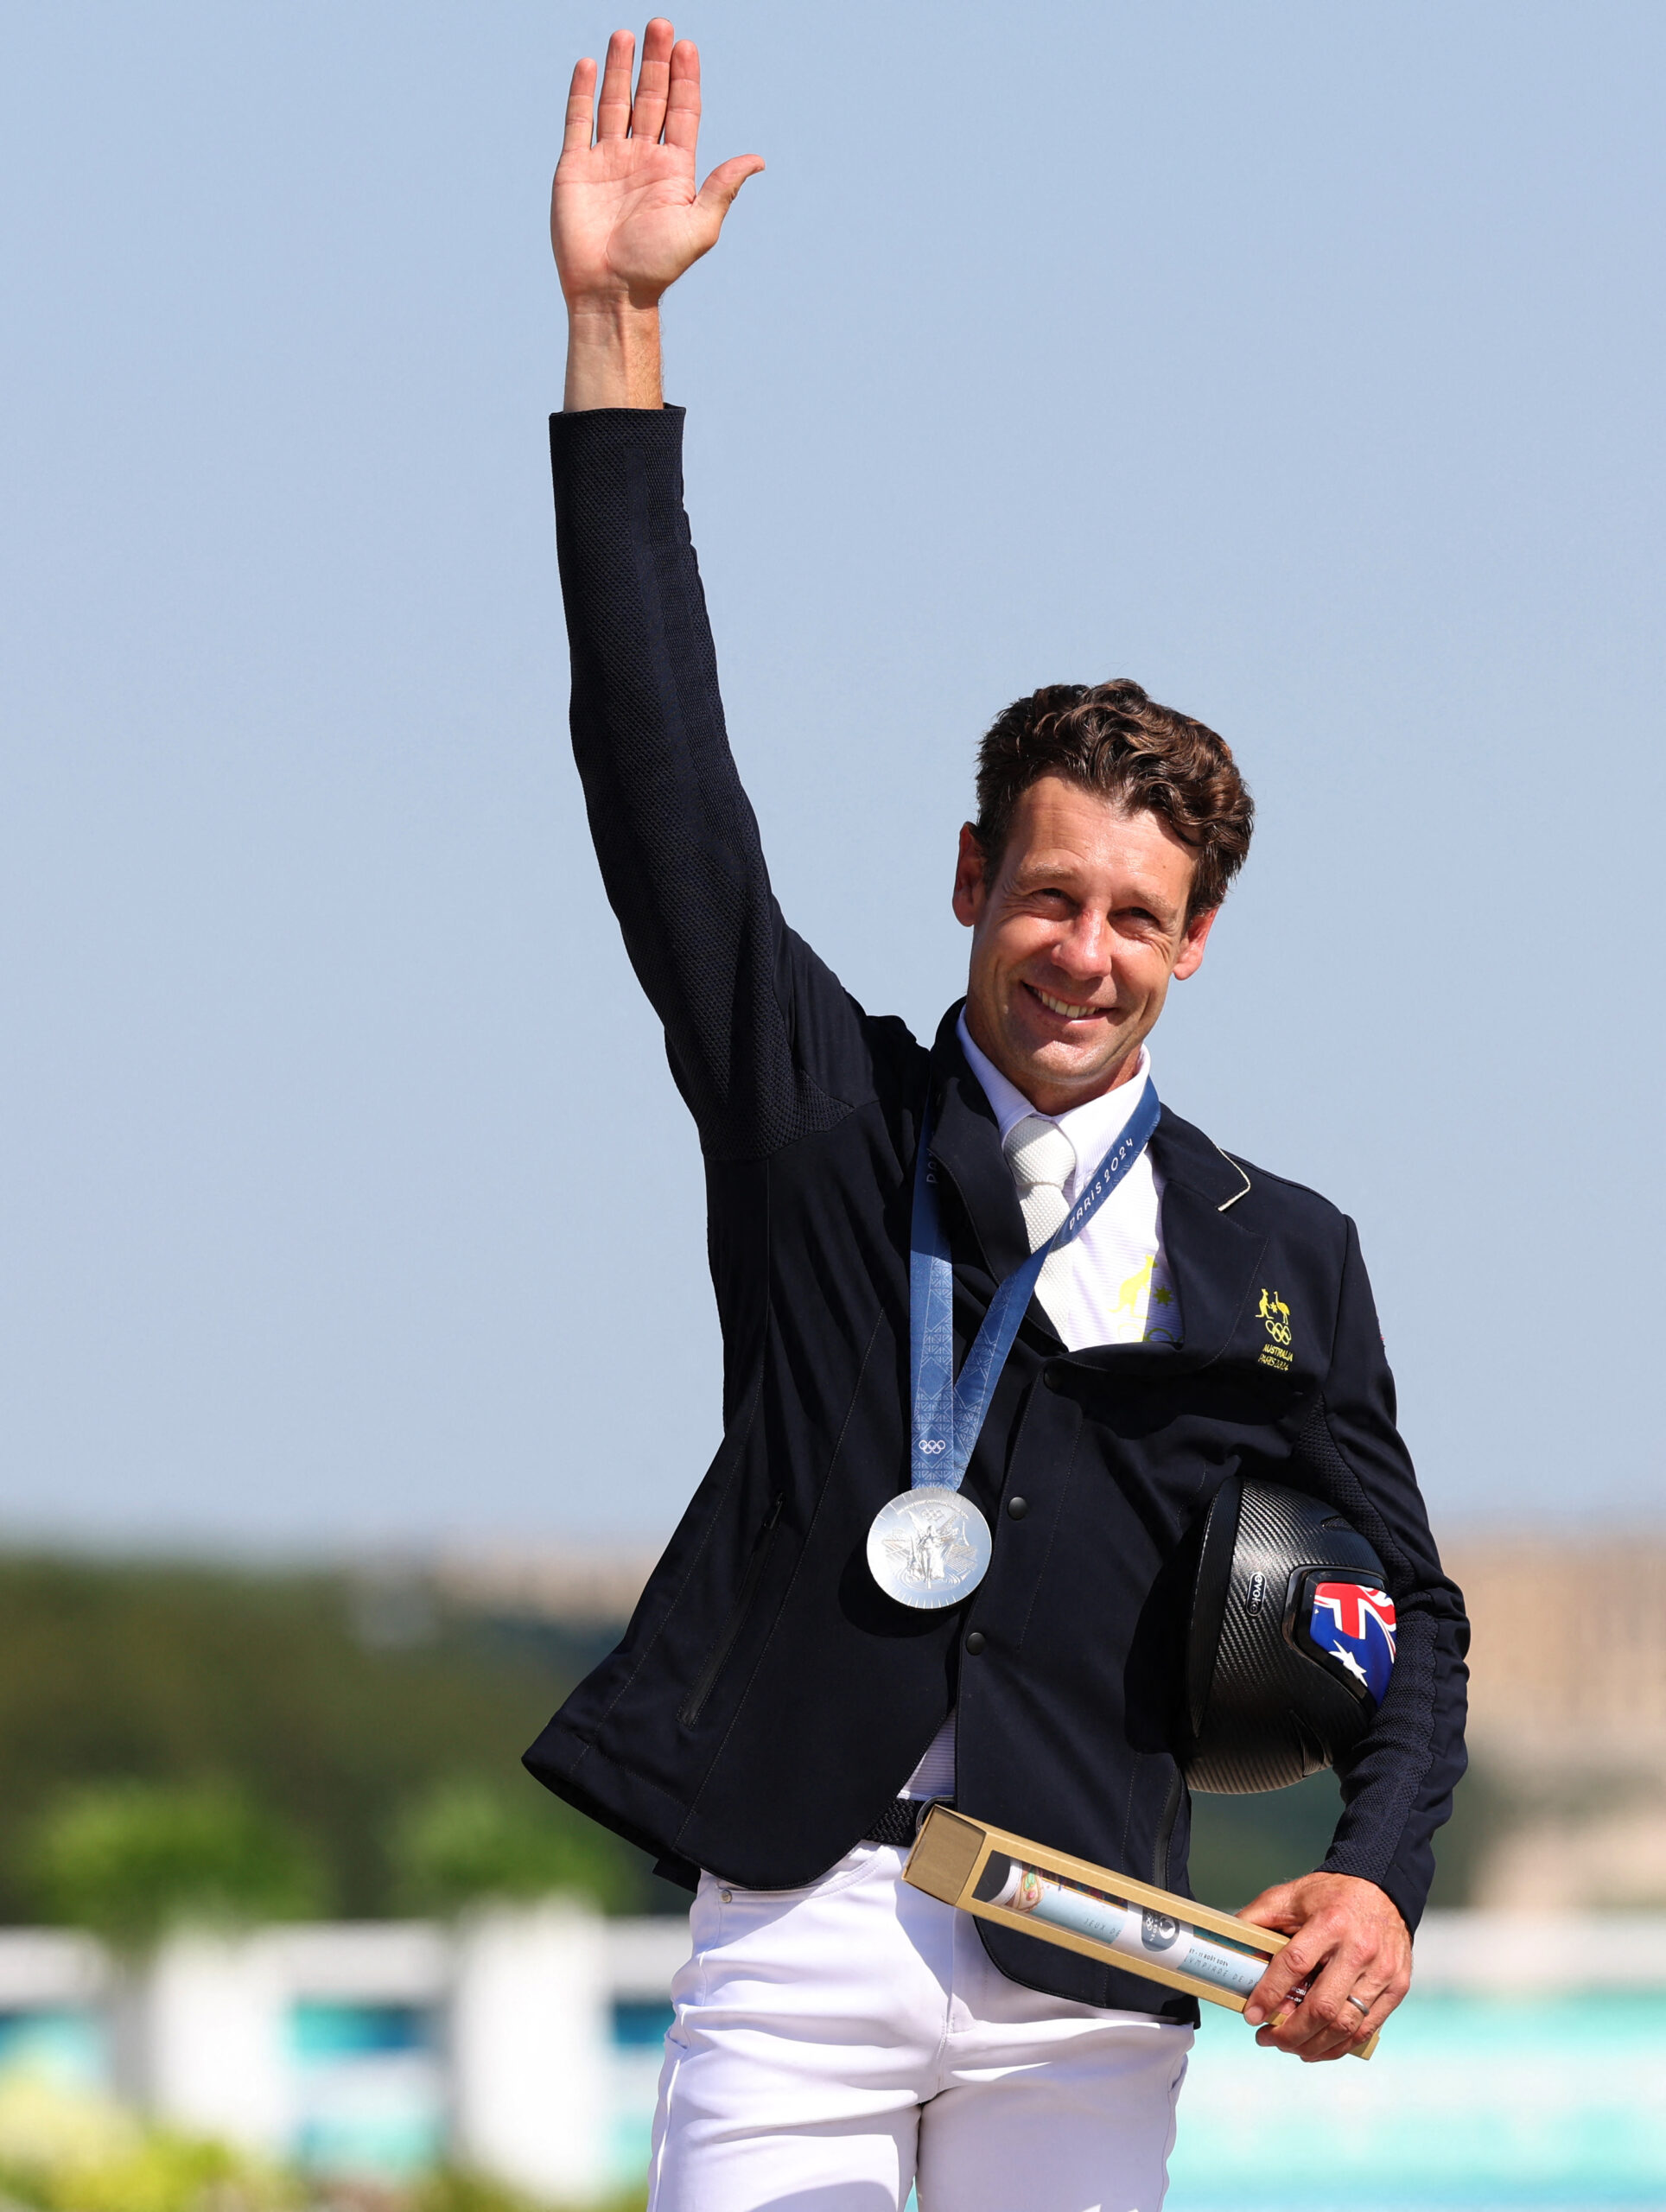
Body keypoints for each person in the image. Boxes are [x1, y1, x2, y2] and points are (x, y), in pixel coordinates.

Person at [524, 22, 1469, 2210]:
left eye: (1136, 914)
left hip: (1091, 1944)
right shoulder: (814, 1112)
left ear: (1195, 943)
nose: (1081, 948)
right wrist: (615, 335)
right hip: (805, 1915)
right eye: (1045, 892)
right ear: (970, 884)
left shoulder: (1275, 1243)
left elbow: (1403, 1612)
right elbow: (657, 781)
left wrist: (1379, 1873)